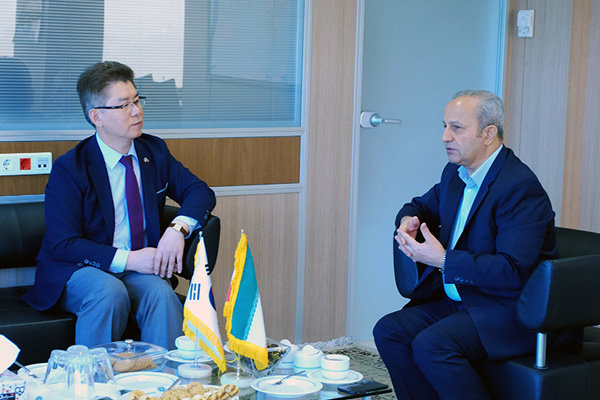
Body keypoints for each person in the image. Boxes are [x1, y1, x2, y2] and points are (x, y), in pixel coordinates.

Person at [373, 90, 559, 399]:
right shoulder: (456, 174)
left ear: (488, 133)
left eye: (457, 128)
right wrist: (408, 220)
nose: (445, 136)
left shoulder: (519, 187)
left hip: (509, 308)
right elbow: (419, 206)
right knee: (390, 330)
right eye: (445, 126)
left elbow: (512, 270)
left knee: (433, 344)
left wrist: (443, 260)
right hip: (465, 299)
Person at [22, 61, 216, 350]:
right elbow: (64, 244)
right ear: (96, 116)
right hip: (78, 269)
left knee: (161, 294)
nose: (136, 111)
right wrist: (131, 260)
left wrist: (177, 229)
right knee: (108, 291)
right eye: (124, 105)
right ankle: (94, 376)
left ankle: (165, 377)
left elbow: (200, 192)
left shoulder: (154, 151)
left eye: (137, 100)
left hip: (137, 270)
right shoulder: (71, 168)